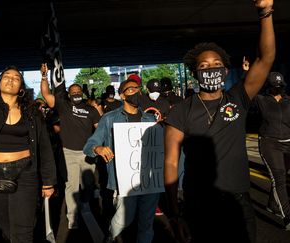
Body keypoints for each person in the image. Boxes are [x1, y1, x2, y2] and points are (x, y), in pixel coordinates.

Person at [164, 1, 275, 242]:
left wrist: (265, 13)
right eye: (203, 66)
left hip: (238, 203)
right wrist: (174, 214)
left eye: (216, 64)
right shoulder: (180, 112)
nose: (210, 68)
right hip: (198, 204)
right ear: (195, 74)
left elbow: (265, 59)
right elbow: (171, 163)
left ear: (226, 70)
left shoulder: (239, 97)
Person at [0, 10, 57, 242]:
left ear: (21, 88)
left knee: (22, 233)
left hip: (25, 172)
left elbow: (44, 147)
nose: (10, 78)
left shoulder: (32, 112)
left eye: (16, 78)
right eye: (6, 76)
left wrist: (48, 181)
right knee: (5, 229)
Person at [83, 79, 160, 243]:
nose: (135, 92)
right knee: (123, 220)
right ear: (122, 95)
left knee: (146, 224)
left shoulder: (150, 119)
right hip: (124, 181)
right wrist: (98, 149)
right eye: (130, 89)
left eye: (137, 89)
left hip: (149, 180)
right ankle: (110, 237)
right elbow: (89, 145)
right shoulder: (109, 118)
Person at [40, 63, 101, 230]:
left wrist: (100, 145)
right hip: (68, 153)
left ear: (82, 93)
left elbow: (99, 129)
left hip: (88, 153)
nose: (76, 94)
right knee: (71, 186)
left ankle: (85, 203)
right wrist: (44, 77)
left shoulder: (91, 110)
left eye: (78, 92)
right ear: (68, 94)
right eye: (73, 92)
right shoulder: (63, 106)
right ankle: (72, 217)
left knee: (88, 184)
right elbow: (46, 94)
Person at [253, 72, 290, 230]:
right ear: (268, 87)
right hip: (269, 143)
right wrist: (249, 73)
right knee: (279, 180)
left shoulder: (288, 100)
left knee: (282, 179)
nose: (278, 90)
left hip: (288, 143)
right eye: (275, 87)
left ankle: (272, 204)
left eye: (280, 87)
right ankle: (288, 217)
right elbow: (246, 90)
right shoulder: (261, 100)